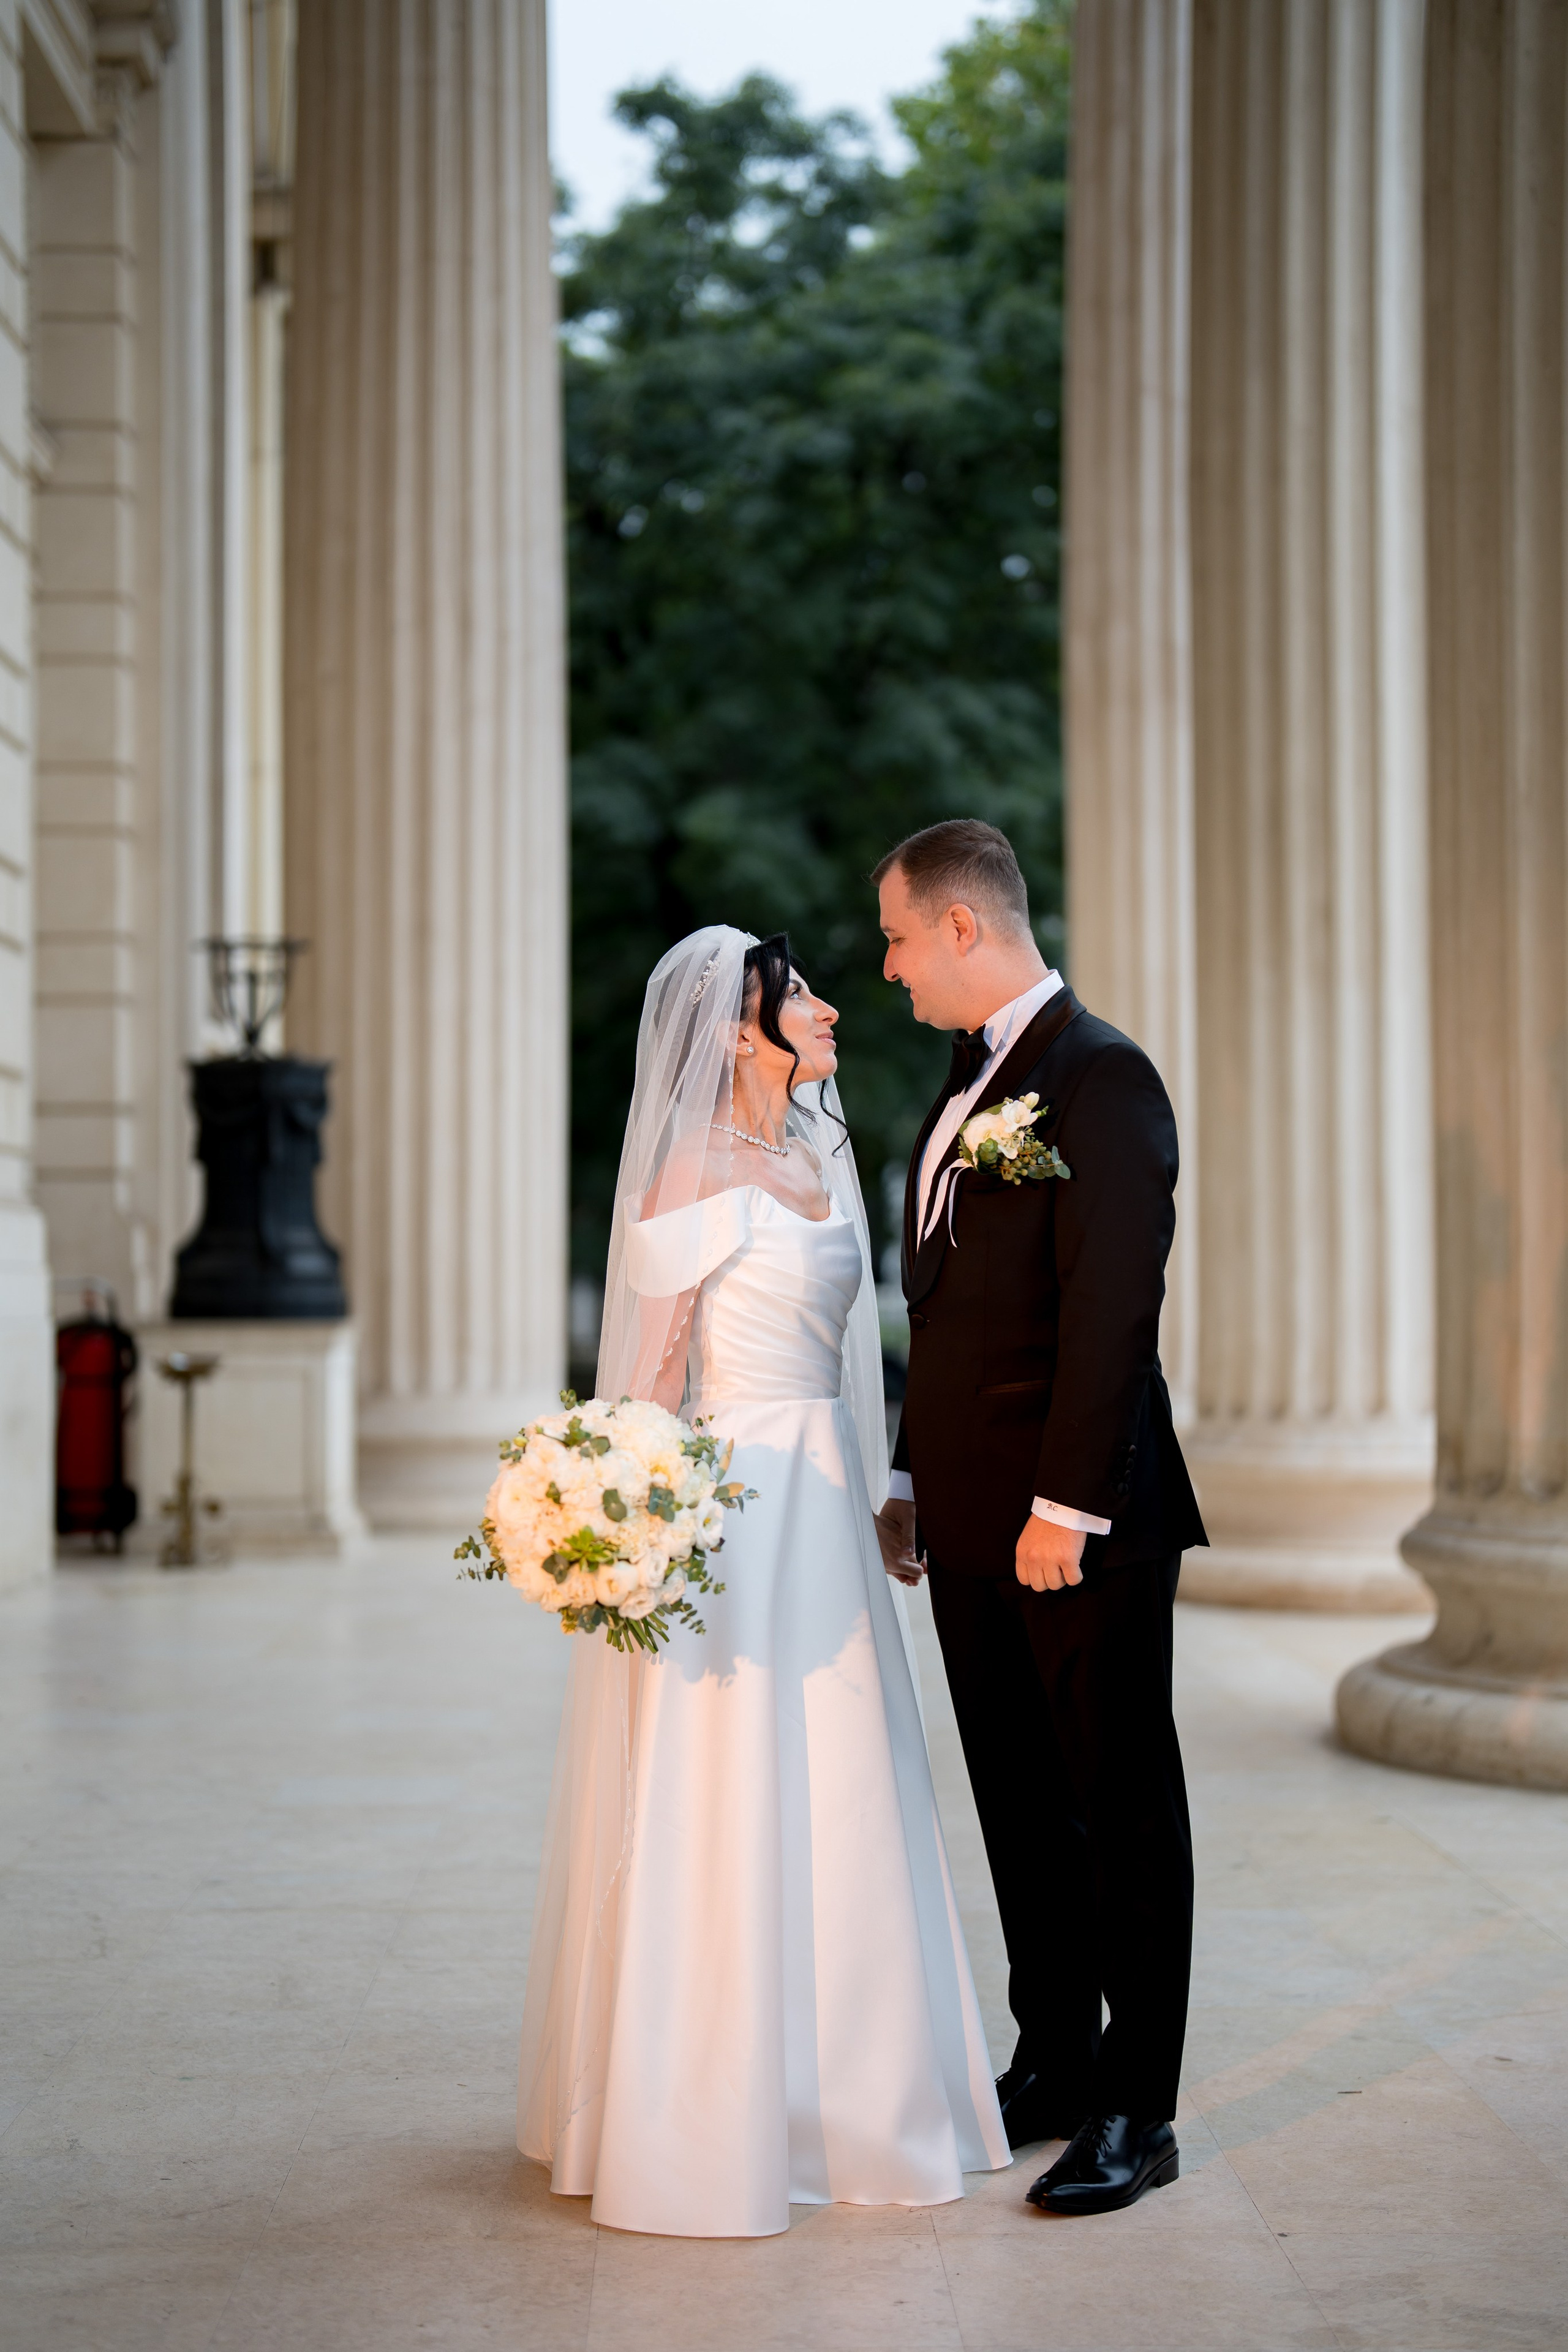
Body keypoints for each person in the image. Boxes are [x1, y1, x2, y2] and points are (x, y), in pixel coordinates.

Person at [517, 924, 1009, 2238]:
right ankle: (707, 2113)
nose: (833, 1012)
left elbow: (854, 1357)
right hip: (734, 1508)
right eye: (802, 1002)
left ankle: (860, 2096)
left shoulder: (815, 1153)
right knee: (727, 1785)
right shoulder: (690, 1165)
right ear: (739, 1032)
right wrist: (611, 1515)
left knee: (847, 1783)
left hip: (826, 1500)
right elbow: (652, 1377)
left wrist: (885, 1495)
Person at [872, 819, 1207, 2219]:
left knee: (1116, 1802)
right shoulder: (965, 1081)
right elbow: (943, 1318)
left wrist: (1064, 1504)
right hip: (962, 1518)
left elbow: (1110, 1313)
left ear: (963, 927)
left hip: (1079, 1522)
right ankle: (1055, 2059)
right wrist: (905, 1476)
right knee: (1017, 1799)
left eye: (895, 938)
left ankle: (1138, 2106)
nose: (885, 970)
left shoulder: (1098, 1077)